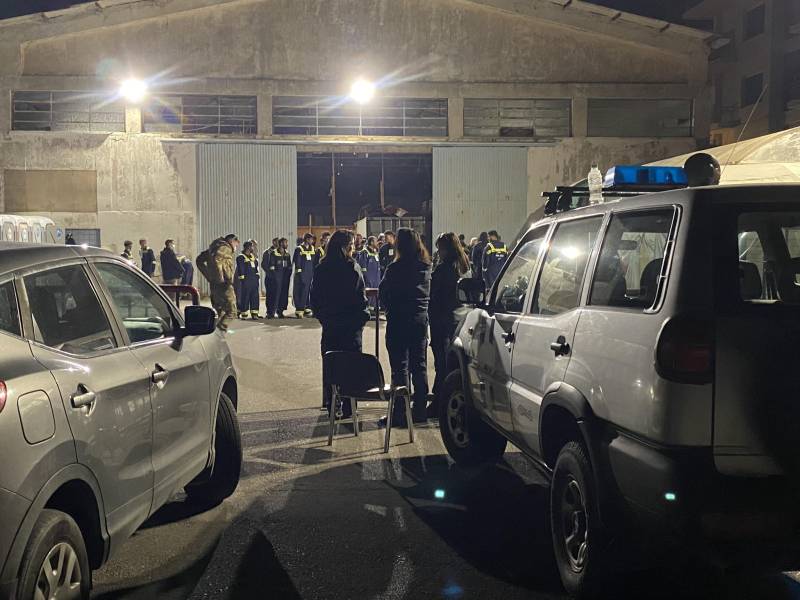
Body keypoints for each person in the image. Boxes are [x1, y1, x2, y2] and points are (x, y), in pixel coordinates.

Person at [311, 230, 370, 415]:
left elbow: (315, 299)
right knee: (351, 369)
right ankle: (349, 407)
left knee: (331, 367)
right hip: (351, 329)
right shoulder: (352, 268)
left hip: (331, 327)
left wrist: (325, 319)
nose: (353, 249)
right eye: (351, 245)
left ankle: (331, 405)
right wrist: (361, 320)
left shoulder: (322, 268)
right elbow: (361, 299)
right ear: (344, 248)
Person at [379, 228, 432, 425]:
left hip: (398, 322)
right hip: (419, 322)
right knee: (420, 366)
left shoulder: (394, 269)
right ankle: (420, 411)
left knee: (400, 368)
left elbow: (384, 294)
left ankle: (400, 413)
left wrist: (389, 309)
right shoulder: (426, 268)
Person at [429, 233, 470, 417]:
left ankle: (439, 403)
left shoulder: (443, 269)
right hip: (460, 319)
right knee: (453, 365)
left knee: (442, 364)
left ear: (446, 249)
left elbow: (435, 296)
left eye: (440, 248)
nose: (438, 252)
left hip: (442, 321)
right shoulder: (464, 266)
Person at [198, 233, 239, 330]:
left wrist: (210, 276)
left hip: (215, 285)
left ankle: (214, 331)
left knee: (220, 311)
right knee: (232, 311)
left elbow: (199, 260)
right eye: (236, 244)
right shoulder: (225, 248)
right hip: (224, 285)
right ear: (231, 241)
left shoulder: (214, 248)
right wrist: (220, 278)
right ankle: (219, 331)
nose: (236, 247)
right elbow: (218, 259)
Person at [265, 237, 292, 318]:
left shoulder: (287, 254)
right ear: (281, 244)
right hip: (275, 279)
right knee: (273, 295)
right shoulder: (273, 253)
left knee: (283, 295)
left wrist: (287, 276)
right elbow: (271, 267)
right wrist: (275, 277)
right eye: (285, 243)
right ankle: (270, 312)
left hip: (284, 279)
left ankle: (280, 311)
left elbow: (289, 266)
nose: (287, 244)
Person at [292, 233, 316, 318]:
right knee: (301, 291)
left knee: (307, 291)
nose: (312, 241)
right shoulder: (299, 249)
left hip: (309, 274)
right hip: (301, 274)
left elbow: (313, 261)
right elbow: (297, 262)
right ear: (306, 239)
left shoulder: (312, 248)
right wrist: (300, 274)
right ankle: (299, 310)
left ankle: (307, 308)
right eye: (311, 239)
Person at [235, 240, 260, 319]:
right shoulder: (241, 257)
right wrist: (243, 280)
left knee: (255, 297)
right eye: (252, 247)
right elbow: (241, 269)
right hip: (246, 281)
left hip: (254, 281)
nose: (253, 248)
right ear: (248, 247)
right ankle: (244, 314)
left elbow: (256, 269)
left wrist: (257, 278)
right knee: (245, 297)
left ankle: (254, 313)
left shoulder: (254, 258)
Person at [357, 235, 381, 312]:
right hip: (369, 278)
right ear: (371, 242)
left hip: (376, 278)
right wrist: (366, 277)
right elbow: (362, 266)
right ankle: (368, 309)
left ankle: (374, 308)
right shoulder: (364, 252)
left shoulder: (375, 252)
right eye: (375, 241)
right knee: (369, 293)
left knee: (376, 293)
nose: (377, 243)